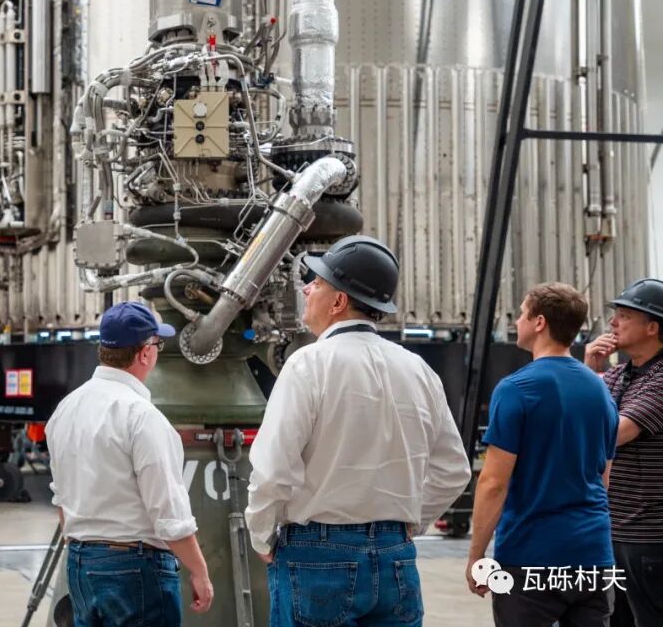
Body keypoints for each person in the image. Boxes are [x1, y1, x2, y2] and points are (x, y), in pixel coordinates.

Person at [246, 235, 471, 627]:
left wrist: (261, 534)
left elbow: (273, 468)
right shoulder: (419, 370)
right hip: (395, 559)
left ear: (338, 301)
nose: (306, 289)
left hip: (317, 557)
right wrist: (407, 524)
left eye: (316, 283)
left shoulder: (308, 365)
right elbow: (453, 470)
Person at [46, 301, 213, 626]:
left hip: (80, 563)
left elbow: (62, 501)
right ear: (145, 353)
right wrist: (199, 571)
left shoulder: (66, 409)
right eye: (157, 344)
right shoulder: (141, 417)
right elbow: (168, 512)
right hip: (134, 569)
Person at [467, 283, 618, 626]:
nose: (517, 321)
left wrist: (477, 556)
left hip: (530, 556)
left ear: (539, 323)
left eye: (522, 314)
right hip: (592, 556)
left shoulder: (516, 389)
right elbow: (603, 477)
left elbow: (493, 483)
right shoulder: (600, 391)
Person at [584, 278, 663, 627]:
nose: (613, 322)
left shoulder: (660, 379)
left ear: (652, 327)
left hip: (650, 537)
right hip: (614, 530)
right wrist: (590, 367)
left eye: (625, 315)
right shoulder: (619, 375)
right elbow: (583, 414)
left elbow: (612, 433)